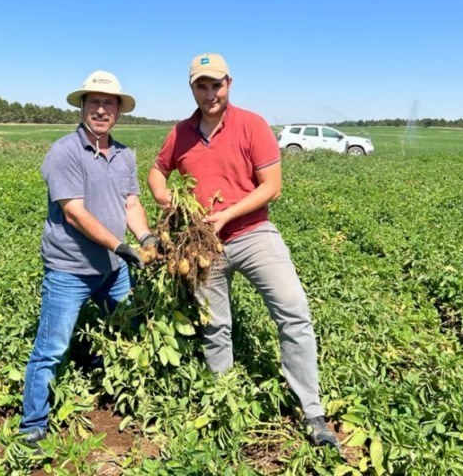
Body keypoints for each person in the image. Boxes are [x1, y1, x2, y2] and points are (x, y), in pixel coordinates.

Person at [147, 53, 340, 450]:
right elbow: (157, 170)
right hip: (202, 243)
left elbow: (271, 186)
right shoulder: (180, 132)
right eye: (202, 85)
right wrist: (168, 202)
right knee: (215, 325)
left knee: (293, 311)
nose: (210, 92)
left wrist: (226, 214)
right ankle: (225, 400)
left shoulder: (252, 124)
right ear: (192, 89)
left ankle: (312, 411)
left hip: (253, 233)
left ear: (229, 84)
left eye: (216, 84)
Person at [19, 70, 156, 449]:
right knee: (52, 346)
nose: (100, 109)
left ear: (118, 111)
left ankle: (107, 385)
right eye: (93, 102)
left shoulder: (126, 154)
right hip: (70, 270)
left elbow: (131, 203)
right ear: (82, 107)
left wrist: (145, 238)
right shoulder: (64, 152)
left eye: (108, 103)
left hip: (113, 270)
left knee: (123, 331)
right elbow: (74, 212)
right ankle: (33, 423)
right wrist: (120, 246)